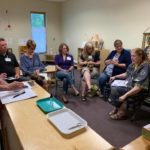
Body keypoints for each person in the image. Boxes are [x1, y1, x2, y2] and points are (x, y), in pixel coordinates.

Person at [109, 48, 149, 120]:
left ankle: (121, 112)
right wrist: (115, 77)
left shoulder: (145, 66)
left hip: (140, 90)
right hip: (130, 85)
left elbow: (139, 87)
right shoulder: (133, 64)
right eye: (131, 56)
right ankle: (117, 107)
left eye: (134, 56)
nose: (131, 58)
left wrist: (125, 95)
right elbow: (127, 74)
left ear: (140, 56)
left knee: (116, 89)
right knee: (113, 84)